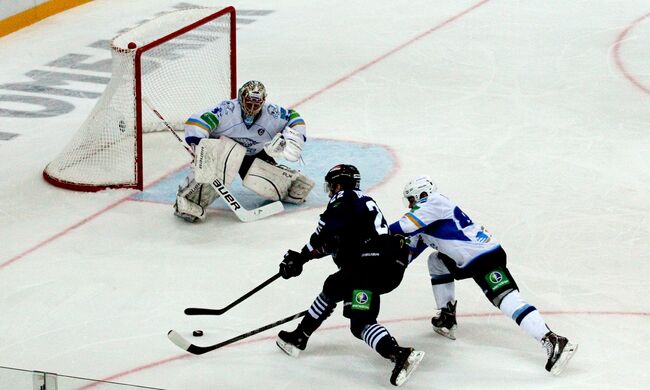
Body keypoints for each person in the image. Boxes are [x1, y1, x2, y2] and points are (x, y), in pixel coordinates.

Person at [389, 175, 578, 375]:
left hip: (484, 255)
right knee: (437, 262)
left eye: (411, 199)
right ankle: (447, 317)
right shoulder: (424, 222)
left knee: (505, 299)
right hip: (467, 260)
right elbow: (407, 254)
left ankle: (552, 340)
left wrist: (374, 232)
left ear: (422, 194)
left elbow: (402, 228)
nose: (410, 205)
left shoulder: (434, 202)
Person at [275, 164, 425, 387]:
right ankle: (399, 354)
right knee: (359, 322)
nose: (330, 191)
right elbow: (332, 243)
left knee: (333, 285)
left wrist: (301, 256)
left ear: (338, 183)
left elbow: (324, 232)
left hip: (370, 262)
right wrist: (302, 258)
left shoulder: (344, 197)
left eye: (331, 185)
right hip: (384, 267)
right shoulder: (358, 207)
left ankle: (300, 336)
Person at [174, 80, 315, 222]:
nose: (253, 107)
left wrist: (293, 139)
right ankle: (190, 200)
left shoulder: (272, 113)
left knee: (260, 179)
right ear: (241, 98)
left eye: (257, 103)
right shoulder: (227, 110)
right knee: (228, 158)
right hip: (222, 152)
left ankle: (287, 183)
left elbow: (294, 117)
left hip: (253, 154)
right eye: (249, 102)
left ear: (263, 100)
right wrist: (199, 146)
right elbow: (197, 121)